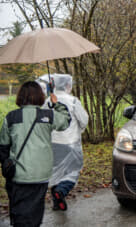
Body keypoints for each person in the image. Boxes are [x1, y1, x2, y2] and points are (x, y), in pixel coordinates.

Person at [0, 81, 70, 226]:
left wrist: (6, 165)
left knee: (18, 210)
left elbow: (3, 147)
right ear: (40, 96)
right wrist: (56, 103)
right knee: (35, 211)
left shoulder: (11, 117)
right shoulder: (48, 115)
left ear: (20, 97)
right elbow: (65, 121)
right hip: (40, 174)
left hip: (17, 175)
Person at [44, 74, 88, 211]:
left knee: (55, 171)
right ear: (68, 85)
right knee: (73, 171)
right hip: (70, 143)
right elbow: (84, 120)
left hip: (52, 143)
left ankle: (57, 202)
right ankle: (61, 191)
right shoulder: (73, 101)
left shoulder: (47, 101)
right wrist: (79, 130)